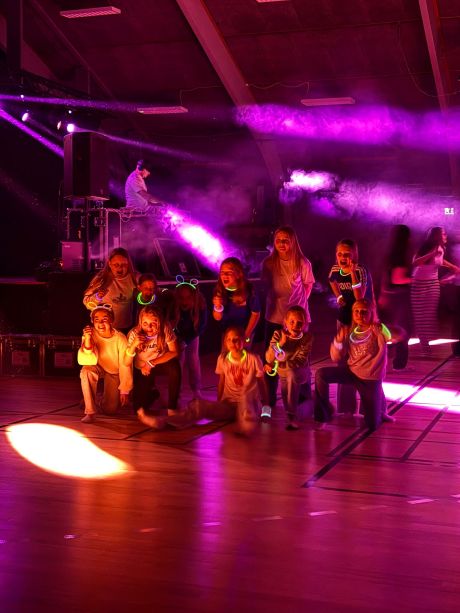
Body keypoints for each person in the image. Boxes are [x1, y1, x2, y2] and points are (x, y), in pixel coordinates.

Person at [137, 326, 270, 436]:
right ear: (225, 342)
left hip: (249, 405)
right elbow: (221, 382)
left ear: (244, 341)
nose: (233, 342)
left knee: (246, 395)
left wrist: (266, 408)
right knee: (200, 406)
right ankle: (163, 421)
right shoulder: (223, 359)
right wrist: (219, 404)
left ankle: (246, 425)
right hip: (230, 406)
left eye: (236, 339)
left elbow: (262, 383)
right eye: (229, 339)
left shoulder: (253, 359)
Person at [314, 299, 391, 431]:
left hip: (370, 379)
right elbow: (336, 357)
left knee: (372, 425)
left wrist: (384, 331)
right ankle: (323, 415)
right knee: (321, 374)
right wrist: (338, 341)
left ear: (371, 313)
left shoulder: (378, 329)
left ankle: (379, 412)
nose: (360, 315)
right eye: (356, 311)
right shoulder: (349, 331)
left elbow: (392, 336)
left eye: (364, 312)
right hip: (351, 373)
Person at [261, 226, 315, 406]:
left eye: (285, 240)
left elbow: (308, 285)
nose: (281, 244)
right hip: (275, 317)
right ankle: (269, 401)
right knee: (271, 358)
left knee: (300, 360)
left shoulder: (302, 262)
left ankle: (303, 399)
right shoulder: (268, 263)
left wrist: (298, 309)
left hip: (297, 320)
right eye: (278, 240)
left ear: (293, 242)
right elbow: (265, 286)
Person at [328, 238, 374, 414]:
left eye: (347, 254)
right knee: (343, 361)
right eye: (339, 254)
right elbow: (332, 280)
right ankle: (346, 407)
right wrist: (338, 296)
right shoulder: (335, 269)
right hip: (344, 319)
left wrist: (353, 273)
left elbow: (359, 297)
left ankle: (370, 408)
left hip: (361, 319)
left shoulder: (361, 270)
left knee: (364, 361)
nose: (342, 257)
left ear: (354, 255)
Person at [78, 305, 132, 423]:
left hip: (113, 371)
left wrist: (124, 390)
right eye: (97, 319)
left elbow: (125, 364)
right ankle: (90, 411)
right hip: (96, 366)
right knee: (86, 371)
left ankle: (98, 400)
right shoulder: (90, 333)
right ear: (92, 321)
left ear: (111, 320)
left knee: (110, 410)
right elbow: (85, 360)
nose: (100, 323)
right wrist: (87, 339)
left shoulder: (120, 338)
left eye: (105, 319)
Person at [125, 305, 181, 418]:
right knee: (138, 409)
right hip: (141, 368)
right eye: (145, 323)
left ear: (159, 322)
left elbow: (174, 352)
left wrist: (151, 363)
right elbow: (126, 363)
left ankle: (172, 408)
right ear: (140, 322)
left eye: (153, 323)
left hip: (158, 363)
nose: (149, 327)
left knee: (175, 367)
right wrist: (133, 345)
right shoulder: (134, 334)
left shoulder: (165, 328)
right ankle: (153, 393)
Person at [411, 226, 460, 355]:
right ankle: (425, 346)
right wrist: (431, 254)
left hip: (433, 282)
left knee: (429, 314)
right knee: (421, 315)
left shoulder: (441, 248)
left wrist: (453, 267)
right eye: (443, 234)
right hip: (419, 283)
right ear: (437, 236)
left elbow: (440, 261)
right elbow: (415, 262)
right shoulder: (426, 247)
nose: (446, 236)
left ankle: (426, 341)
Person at [265, 305, 313, 430]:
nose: (295, 325)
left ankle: (292, 415)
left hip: (300, 372)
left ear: (304, 324)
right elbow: (269, 358)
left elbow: (300, 360)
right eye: (292, 322)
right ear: (285, 322)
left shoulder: (307, 338)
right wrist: (281, 343)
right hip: (283, 373)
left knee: (291, 374)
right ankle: (293, 413)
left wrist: (277, 363)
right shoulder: (277, 335)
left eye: (299, 323)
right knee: (286, 393)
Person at [378, 224, 413, 370]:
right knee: (402, 331)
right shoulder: (400, 256)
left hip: (388, 297)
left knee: (388, 331)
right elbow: (397, 279)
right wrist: (414, 279)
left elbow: (386, 279)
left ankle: (382, 362)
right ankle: (399, 364)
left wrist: (382, 295)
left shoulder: (390, 255)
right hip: (398, 298)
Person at [83, 247, 138, 332]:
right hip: (105, 329)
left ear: (128, 264)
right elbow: (87, 304)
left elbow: (146, 299)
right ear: (109, 264)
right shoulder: (102, 279)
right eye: (116, 265)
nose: (120, 268)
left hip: (126, 329)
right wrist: (97, 297)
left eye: (124, 265)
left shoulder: (134, 278)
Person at [212, 257, 261, 344]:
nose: (225, 275)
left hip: (245, 331)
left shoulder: (249, 290)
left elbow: (255, 314)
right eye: (222, 272)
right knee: (226, 353)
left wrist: (246, 335)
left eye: (229, 272)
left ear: (238, 274)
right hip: (227, 333)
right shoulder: (219, 290)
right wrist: (218, 306)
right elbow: (218, 318)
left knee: (244, 353)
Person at [173, 277, 207, 399]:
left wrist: (187, 341)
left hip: (193, 335)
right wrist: (177, 339)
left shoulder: (200, 305)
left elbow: (201, 327)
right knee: (178, 362)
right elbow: (171, 323)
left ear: (194, 297)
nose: (184, 301)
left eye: (188, 298)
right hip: (177, 336)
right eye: (181, 298)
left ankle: (196, 390)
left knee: (193, 360)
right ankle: (177, 390)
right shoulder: (175, 305)